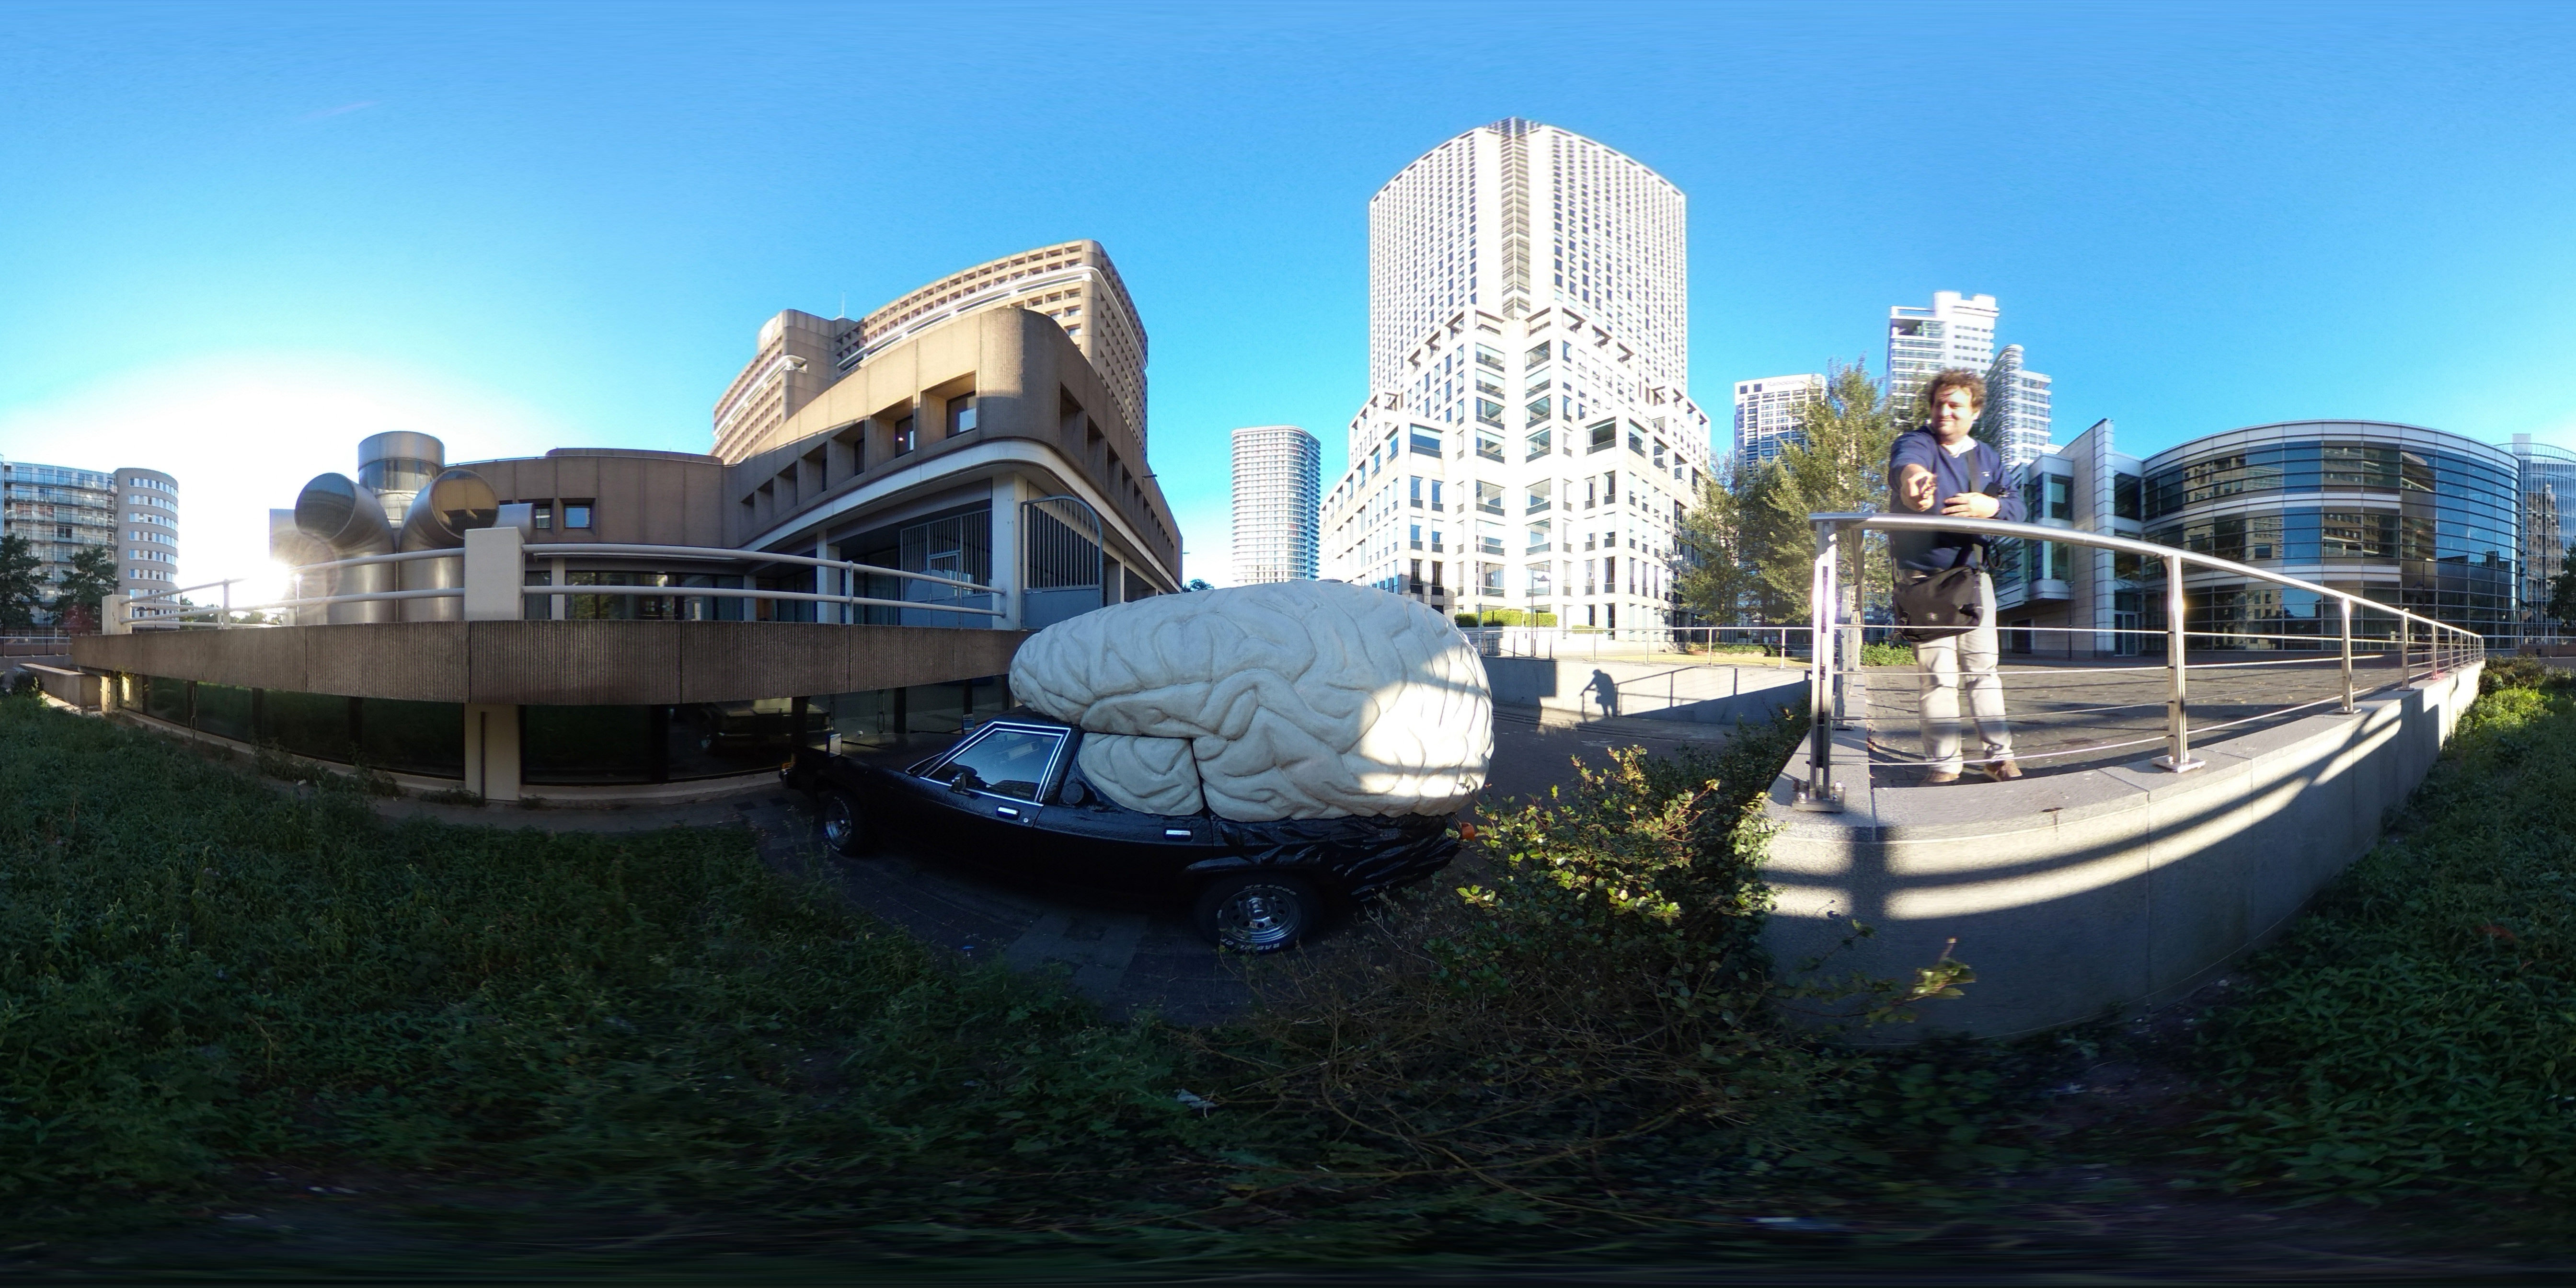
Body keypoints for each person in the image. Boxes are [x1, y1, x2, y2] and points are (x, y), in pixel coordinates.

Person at [1889, 369, 2023, 784]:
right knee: (1938, 678)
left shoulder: (1989, 457)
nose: (1944, 412)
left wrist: (1991, 507)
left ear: (1975, 412)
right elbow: (1907, 469)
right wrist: (1915, 487)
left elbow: (2017, 507)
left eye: (1955, 405)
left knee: (1984, 671)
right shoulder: (1917, 442)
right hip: (1924, 581)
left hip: (1974, 577)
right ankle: (1945, 766)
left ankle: (1999, 757)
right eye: (1938, 404)